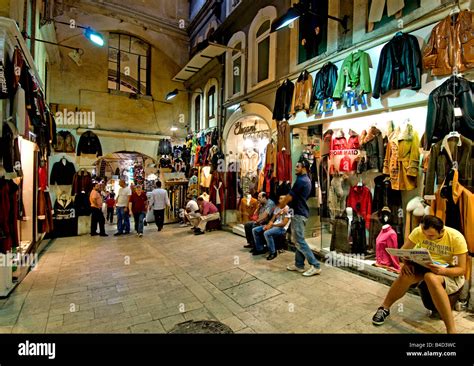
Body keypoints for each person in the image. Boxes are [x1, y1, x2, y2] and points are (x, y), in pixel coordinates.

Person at [372, 215, 468, 334]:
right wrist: (406, 263)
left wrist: (443, 271)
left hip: (445, 270)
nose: (427, 237)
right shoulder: (419, 231)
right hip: (423, 264)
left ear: (441, 231)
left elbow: (462, 269)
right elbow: (403, 251)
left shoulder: (456, 237)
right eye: (425, 234)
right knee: (405, 275)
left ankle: (451, 329)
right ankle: (384, 308)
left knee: (430, 278)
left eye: (431, 236)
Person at [281, 159, 322, 277]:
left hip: (299, 214)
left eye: (297, 166)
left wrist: (280, 206)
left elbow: (289, 197)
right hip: (298, 212)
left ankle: (315, 265)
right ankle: (299, 264)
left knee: (300, 241)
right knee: (298, 240)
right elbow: (295, 198)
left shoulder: (301, 181)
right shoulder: (306, 179)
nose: (295, 168)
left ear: (304, 167)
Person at [252, 195, 291, 260]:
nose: (280, 200)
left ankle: (273, 252)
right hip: (274, 225)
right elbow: (272, 219)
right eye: (280, 198)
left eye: (282, 199)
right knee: (255, 230)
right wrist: (268, 225)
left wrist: (272, 226)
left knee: (267, 233)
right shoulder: (277, 208)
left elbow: (283, 224)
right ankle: (260, 249)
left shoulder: (290, 210)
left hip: (281, 228)